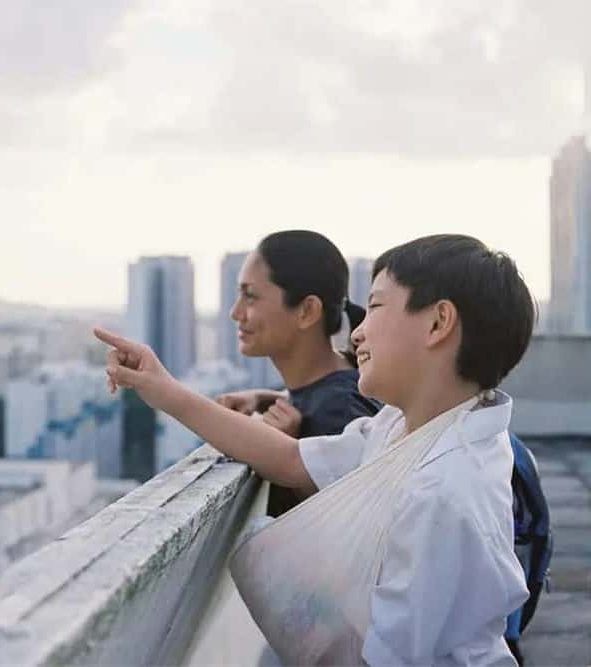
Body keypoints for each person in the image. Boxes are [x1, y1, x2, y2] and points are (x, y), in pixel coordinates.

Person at [94, 234, 532, 666]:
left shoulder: (443, 490)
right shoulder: (399, 429)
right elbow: (289, 460)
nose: (357, 333)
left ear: (437, 323)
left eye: (376, 306)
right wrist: (164, 390)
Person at [213, 230, 379, 514]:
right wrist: (268, 398)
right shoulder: (334, 387)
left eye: (250, 297)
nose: (235, 312)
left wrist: (286, 449)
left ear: (307, 311)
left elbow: (343, 532)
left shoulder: (339, 410)